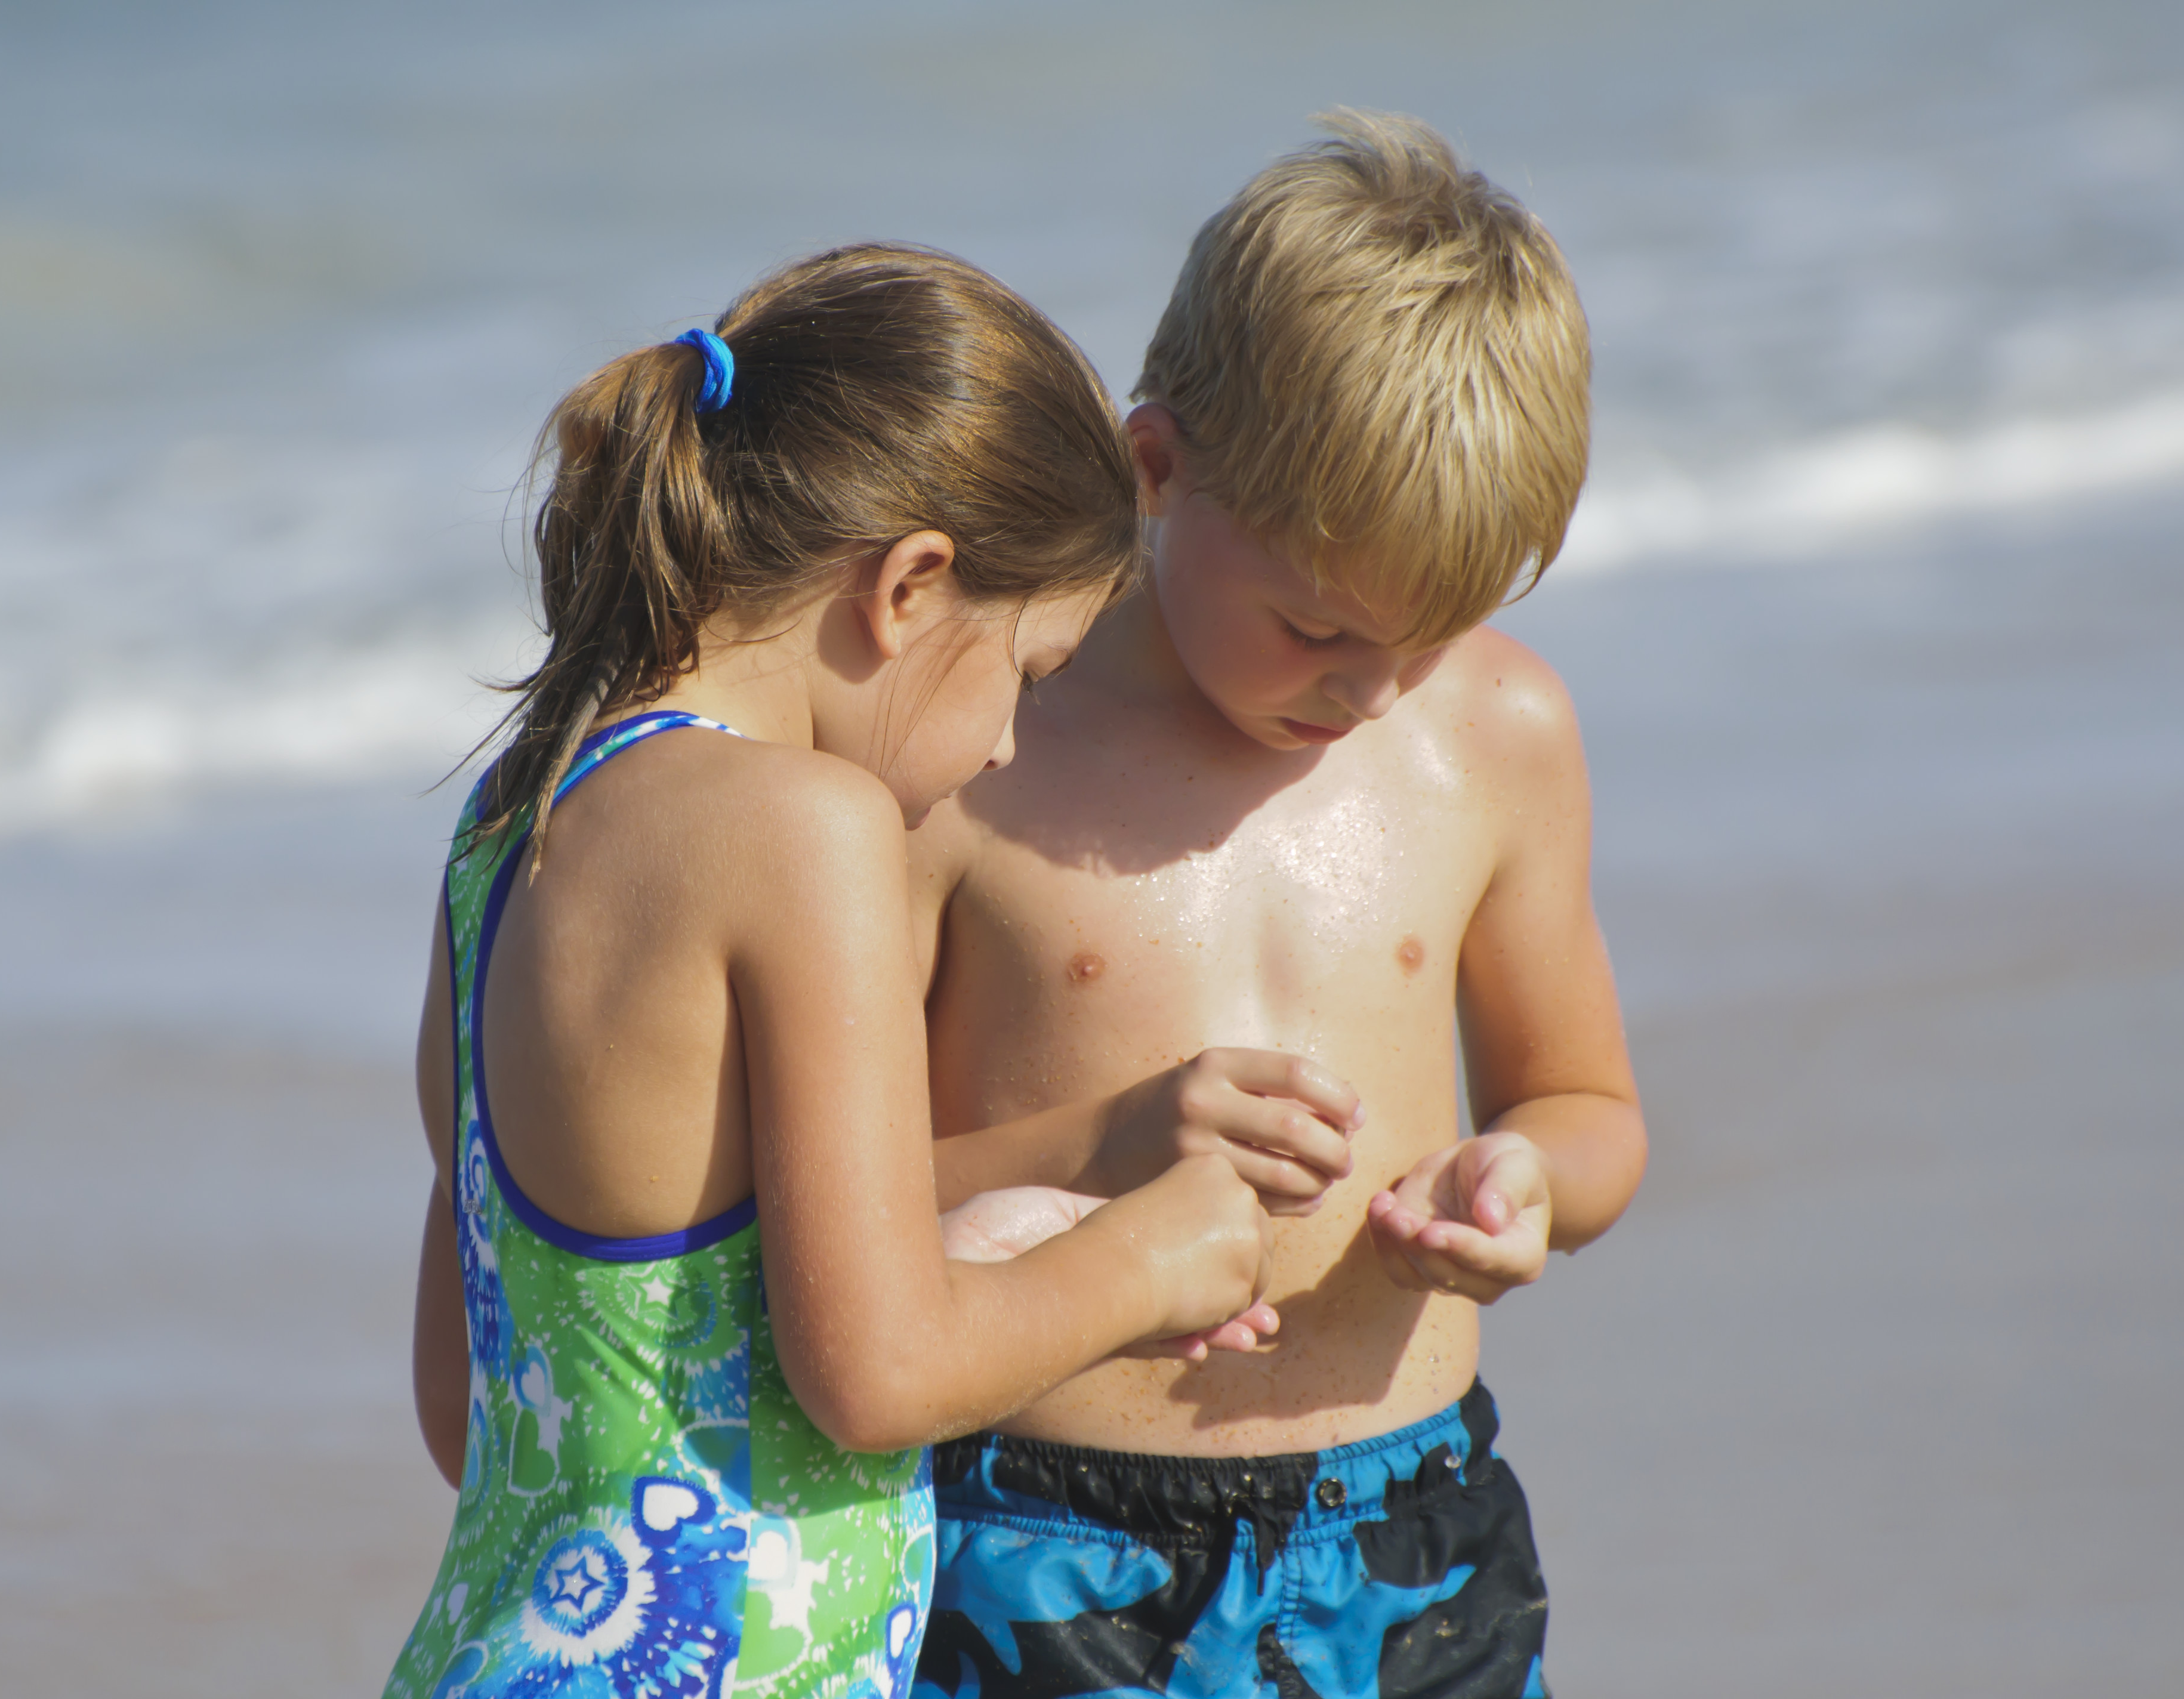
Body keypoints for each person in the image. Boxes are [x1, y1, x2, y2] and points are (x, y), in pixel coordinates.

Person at [384, 244, 1331, 1699]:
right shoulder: (805, 828)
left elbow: (488, 1404)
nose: (1012, 742)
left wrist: (1083, 1153)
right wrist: (1145, 1257)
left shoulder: (517, 814)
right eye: (1027, 668)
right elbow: (879, 1368)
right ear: (910, 587)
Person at [905, 116, 1647, 1699]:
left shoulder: (1496, 738)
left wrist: (1527, 1179)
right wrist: (1106, 1146)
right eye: (1316, 624)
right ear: (1155, 466)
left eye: (1432, 633)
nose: (1371, 692)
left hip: (1414, 1525)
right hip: (1042, 1530)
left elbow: (1587, 1104)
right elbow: (841, 1202)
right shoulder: (978, 754)